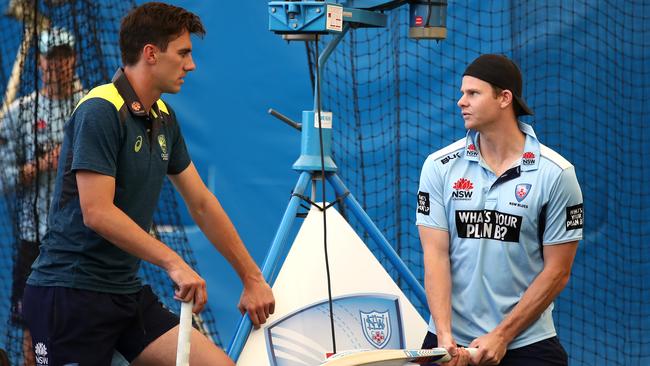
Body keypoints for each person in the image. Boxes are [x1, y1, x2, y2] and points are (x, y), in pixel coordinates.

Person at [22, 3, 275, 366]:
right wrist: (174, 263)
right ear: (151, 54)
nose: (191, 65)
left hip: (125, 294)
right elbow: (97, 212)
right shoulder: (101, 109)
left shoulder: (164, 117)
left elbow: (201, 202)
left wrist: (251, 278)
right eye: (184, 53)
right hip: (70, 295)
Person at [416, 54, 583, 366]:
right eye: (462, 92)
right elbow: (435, 254)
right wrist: (444, 337)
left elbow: (558, 271)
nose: (460, 102)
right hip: (449, 340)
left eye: (473, 93)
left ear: (505, 98)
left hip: (526, 340)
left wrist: (502, 336)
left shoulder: (557, 174)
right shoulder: (438, 166)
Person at [0, 26, 81, 366]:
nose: (56, 64)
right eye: (50, 57)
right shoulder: (21, 112)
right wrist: (43, 164)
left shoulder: (90, 105)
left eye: (63, 56)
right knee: (33, 331)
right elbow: (5, 178)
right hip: (34, 239)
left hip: (81, 237)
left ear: (73, 60)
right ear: (40, 62)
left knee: (79, 326)